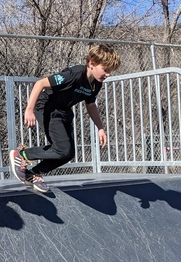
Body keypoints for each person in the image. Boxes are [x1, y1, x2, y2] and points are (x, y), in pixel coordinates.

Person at [9, 44, 121, 193]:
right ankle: (21, 154)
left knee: (68, 153)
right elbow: (40, 83)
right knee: (62, 149)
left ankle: (34, 173)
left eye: (110, 71)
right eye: (106, 70)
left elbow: (91, 105)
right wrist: (29, 109)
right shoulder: (73, 74)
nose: (108, 75)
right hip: (47, 107)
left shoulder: (96, 84)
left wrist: (100, 128)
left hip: (64, 112)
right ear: (92, 63)